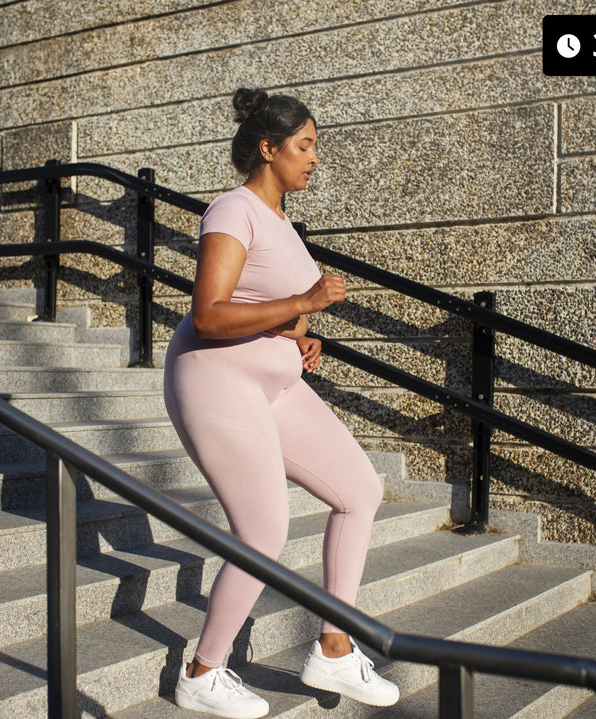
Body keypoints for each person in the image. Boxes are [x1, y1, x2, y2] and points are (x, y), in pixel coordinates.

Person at [164, 88, 400, 719]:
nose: (314, 158)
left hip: (275, 384)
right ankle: (202, 672)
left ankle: (334, 647)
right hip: (216, 380)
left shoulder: (283, 223)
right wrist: (303, 304)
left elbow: (265, 305)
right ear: (268, 149)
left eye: (314, 146)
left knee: (360, 490)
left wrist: (299, 335)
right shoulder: (232, 210)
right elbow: (209, 315)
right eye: (305, 145)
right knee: (264, 531)